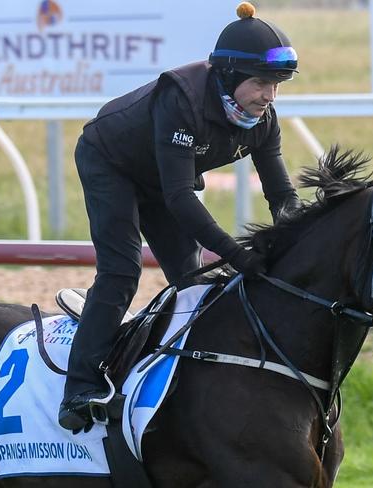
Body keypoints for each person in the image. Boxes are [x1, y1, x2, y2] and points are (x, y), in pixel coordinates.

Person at [59, 2, 300, 430]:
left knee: (190, 277)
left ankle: (188, 374)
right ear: (228, 76)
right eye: (261, 83)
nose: (269, 96)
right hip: (110, 162)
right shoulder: (181, 101)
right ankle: (78, 388)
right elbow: (180, 200)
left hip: (161, 177)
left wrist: (297, 242)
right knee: (121, 271)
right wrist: (236, 253)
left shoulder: (264, 120)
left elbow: (281, 196)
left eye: (277, 86)